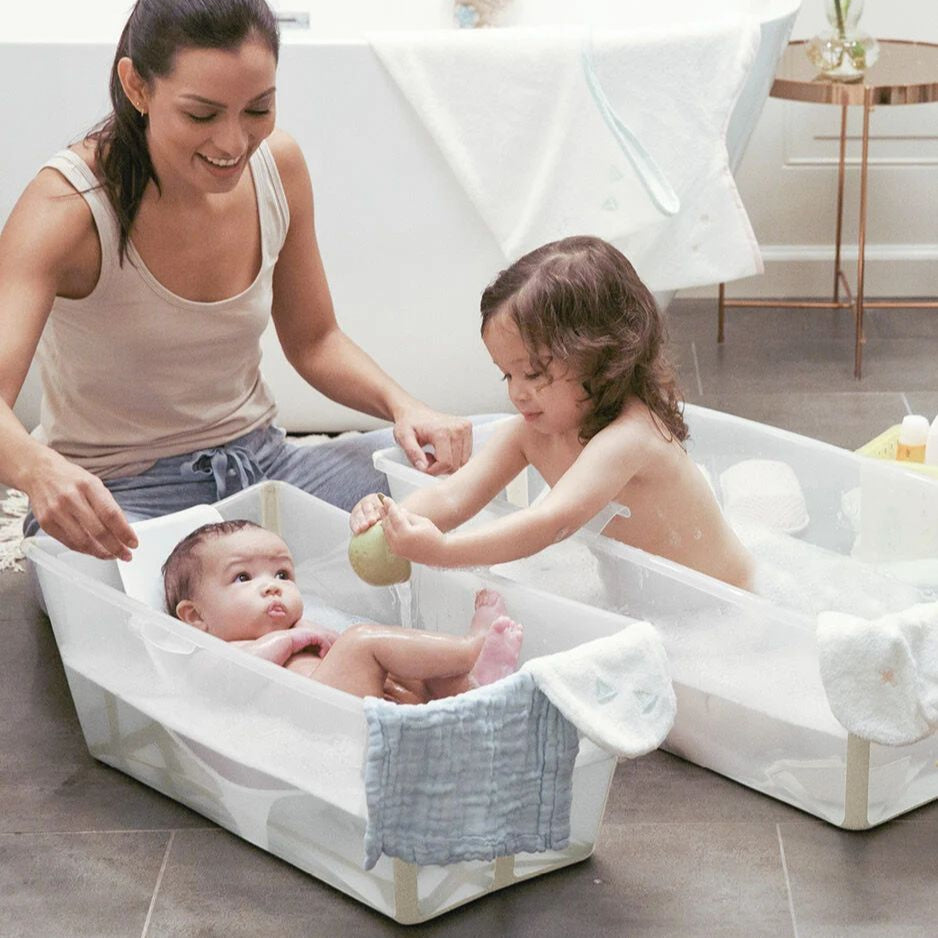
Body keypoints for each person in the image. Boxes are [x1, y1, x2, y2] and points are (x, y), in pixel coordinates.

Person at [0, 0, 471, 564]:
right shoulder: (67, 205)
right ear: (137, 86)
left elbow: (316, 340)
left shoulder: (279, 166)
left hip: (265, 467)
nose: (233, 143)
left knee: (494, 455)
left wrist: (406, 408)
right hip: (122, 499)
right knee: (151, 584)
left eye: (258, 109)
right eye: (202, 115)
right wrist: (38, 469)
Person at [350, 235, 754, 590]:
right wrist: (392, 516)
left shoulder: (632, 437)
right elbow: (453, 496)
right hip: (654, 607)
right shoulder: (530, 435)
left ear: (602, 355)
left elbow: (551, 522)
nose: (516, 392)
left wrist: (444, 552)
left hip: (725, 606)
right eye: (506, 374)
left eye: (533, 373)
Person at [162, 520, 524, 701]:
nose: (273, 586)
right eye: (243, 577)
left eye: (282, 574)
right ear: (196, 617)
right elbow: (234, 679)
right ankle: (471, 648)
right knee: (362, 641)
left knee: (417, 669)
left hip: (358, 705)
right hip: (314, 723)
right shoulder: (211, 653)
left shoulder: (300, 625)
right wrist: (295, 639)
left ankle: (475, 687)